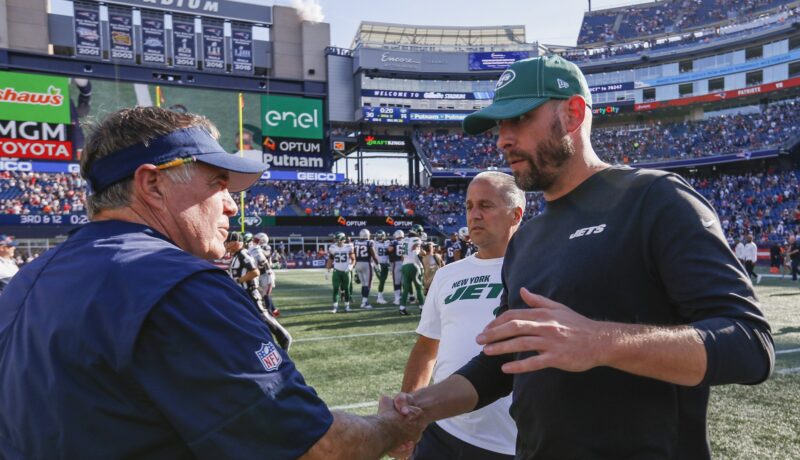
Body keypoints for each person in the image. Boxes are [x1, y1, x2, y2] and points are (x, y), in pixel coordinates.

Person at [390, 55, 774, 459]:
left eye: (518, 119)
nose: (502, 139)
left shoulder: (655, 199)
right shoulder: (527, 239)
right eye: (499, 126)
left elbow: (750, 344)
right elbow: (498, 365)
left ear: (573, 113)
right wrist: (416, 409)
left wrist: (600, 342)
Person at [0, 107, 424, 459]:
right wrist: (392, 426)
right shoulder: (178, 284)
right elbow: (316, 448)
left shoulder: (27, 280)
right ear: (152, 184)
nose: (230, 205)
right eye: (218, 184)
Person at [402, 172, 524, 460]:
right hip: (442, 431)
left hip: (512, 442)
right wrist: (406, 417)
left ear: (515, 214)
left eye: (485, 205)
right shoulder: (448, 274)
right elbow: (426, 349)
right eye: (469, 206)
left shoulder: (539, 271)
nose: (474, 215)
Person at [226, 231, 291, 350]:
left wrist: (238, 281)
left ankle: (284, 337)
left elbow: (255, 272)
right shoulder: (236, 255)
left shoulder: (243, 254)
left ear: (236, 243)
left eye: (228, 242)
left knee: (263, 316)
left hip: (249, 292)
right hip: (241, 293)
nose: (226, 244)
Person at [399, 224, 426, 316]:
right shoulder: (417, 239)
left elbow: (402, 256)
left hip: (405, 265)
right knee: (419, 288)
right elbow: (416, 251)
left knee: (406, 289)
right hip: (414, 265)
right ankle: (422, 308)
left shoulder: (404, 240)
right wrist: (424, 254)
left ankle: (402, 308)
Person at [327, 232, 355, 313]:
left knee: (347, 289)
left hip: (346, 271)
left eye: (339, 239)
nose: (337, 241)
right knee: (335, 288)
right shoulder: (332, 247)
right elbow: (330, 259)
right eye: (336, 240)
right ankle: (335, 307)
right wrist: (327, 270)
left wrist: (351, 266)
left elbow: (353, 259)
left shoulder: (349, 247)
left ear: (343, 239)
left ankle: (347, 306)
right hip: (336, 271)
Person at [252, 232, 279, 316]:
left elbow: (266, 253)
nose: (254, 241)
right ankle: (274, 311)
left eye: (256, 239)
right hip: (259, 274)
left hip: (266, 274)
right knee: (262, 294)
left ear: (262, 240)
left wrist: (258, 250)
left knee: (265, 294)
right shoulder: (255, 248)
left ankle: (269, 313)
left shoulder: (266, 247)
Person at [353, 228, 379, 309]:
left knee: (364, 284)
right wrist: (377, 264)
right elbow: (374, 255)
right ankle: (364, 303)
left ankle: (364, 301)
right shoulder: (369, 242)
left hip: (358, 263)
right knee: (368, 284)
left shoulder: (355, 242)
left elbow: (353, 253)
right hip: (366, 264)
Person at [388, 229, 406, 305]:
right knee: (405, 281)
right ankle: (410, 297)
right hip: (405, 262)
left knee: (396, 281)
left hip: (397, 263)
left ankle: (397, 299)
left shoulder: (394, 242)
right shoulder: (406, 241)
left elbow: (389, 250)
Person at [374, 230, 392, 304]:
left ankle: (380, 296)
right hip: (378, 264)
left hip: (385, 264)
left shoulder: (387, 242)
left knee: (382, 281)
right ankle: (379, 297)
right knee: (382, 280)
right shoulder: (374, 243)